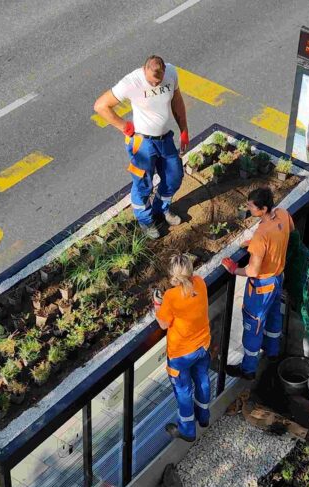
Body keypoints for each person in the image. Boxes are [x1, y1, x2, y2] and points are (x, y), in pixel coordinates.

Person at [94, 56, 189, 240]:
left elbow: (176, 101)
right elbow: (100, 105)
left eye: (159, 81)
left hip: (165, 139)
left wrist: (184, 130)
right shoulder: (131, 82)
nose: (156, 84)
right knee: (142, 184)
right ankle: (146, 220)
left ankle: (161, 209)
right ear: (145, 70)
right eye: (152, 81)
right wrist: (123, 126)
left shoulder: (171, 73)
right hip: (142, 143)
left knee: (174, 176)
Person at [221, 187, 292, 380]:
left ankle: (248, 369)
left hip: (261, 287)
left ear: (263, 208)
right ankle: (272, 351)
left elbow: (252, 270)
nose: (248, 208)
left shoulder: (262, 235)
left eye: (251, 206)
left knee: (254, 325)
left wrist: (234, 269)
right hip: (278, 278)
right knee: (275, 316)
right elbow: (288, 231)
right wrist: (257, 246)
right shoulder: (283, 214)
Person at [154, 254, 211, 442]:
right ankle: (203, 417)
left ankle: (187, 429)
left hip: (180, 354)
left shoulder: (171, 296)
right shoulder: (200, 283)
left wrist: (157, 304)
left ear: (172, 275)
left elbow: (163, 324)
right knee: (202, 380)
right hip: (202, 345)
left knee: (183, 391)